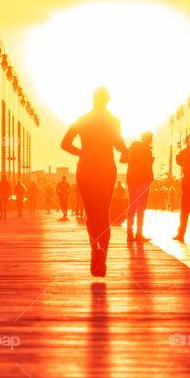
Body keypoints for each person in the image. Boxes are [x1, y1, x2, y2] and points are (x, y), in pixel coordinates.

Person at [61, 86, 127, 277]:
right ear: (108, 100)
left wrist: (83, 153)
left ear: (93, 100)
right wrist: (126, 152)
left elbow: (65, 143)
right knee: (103, 213)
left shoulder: (83, 120)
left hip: (87, 169)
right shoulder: (114, 121)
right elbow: (119, 145)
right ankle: (101, 260)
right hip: (106, 169)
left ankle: (94, 251)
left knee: (92, 214)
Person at [125, 130, 154, 242]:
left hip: (131, 179)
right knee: (141, 208)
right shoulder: (146, 150)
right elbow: (145, 166)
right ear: (147, 139)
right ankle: (139, 233)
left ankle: (129, 233)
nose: (151, 140)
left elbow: (128, 160)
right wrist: (150, 162)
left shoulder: (133, 147)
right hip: (142, 180)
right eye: (150, 138)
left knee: (132, 206)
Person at [173, 136, 190, 243]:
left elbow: (178, 159)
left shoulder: (186, 152)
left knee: (184, 211)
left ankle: (181, 233)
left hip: (189, 183)